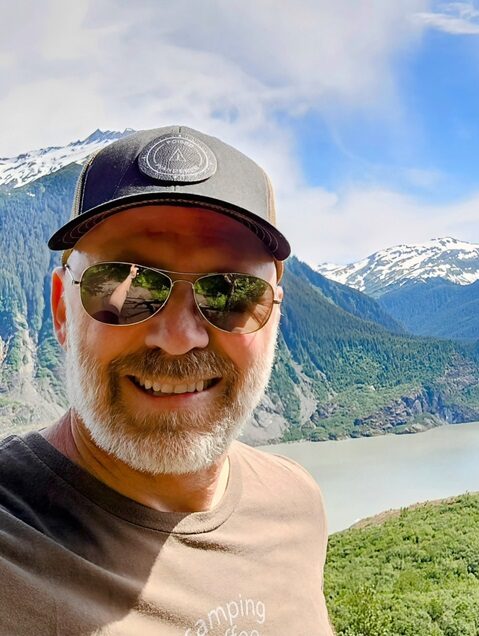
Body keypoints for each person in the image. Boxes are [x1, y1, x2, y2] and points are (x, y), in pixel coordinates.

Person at [0, 126, 334, 635]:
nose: (178, 338)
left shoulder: (297, 506)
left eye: (231, 293)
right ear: (62, 311)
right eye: (127, 286)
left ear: (274, 318)